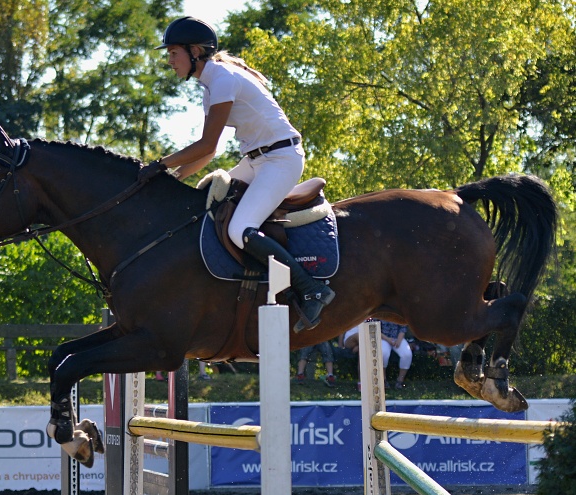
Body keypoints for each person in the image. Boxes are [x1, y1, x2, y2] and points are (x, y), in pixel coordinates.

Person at [139, 16, 334, 333]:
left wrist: (161, 164)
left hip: (280, 159)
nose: (170, 60)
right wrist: (172, 179)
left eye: (174, 52)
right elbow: (209, 154)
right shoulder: (210, 84)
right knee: (213, 208)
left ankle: (311, 288)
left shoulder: (223, 79)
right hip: (258, 160)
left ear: (196, 51)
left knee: (239, 229)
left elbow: (206, 143)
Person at [378, 320, 412, 389]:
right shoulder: (379, 312)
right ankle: (383, 380)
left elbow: (403, 328)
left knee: (407, 354)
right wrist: (388, 339)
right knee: (383, 353)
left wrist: (398, 341)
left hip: (398, 338)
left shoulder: (399, 311)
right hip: (383, 338)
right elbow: (375, 328)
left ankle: (400, 381)